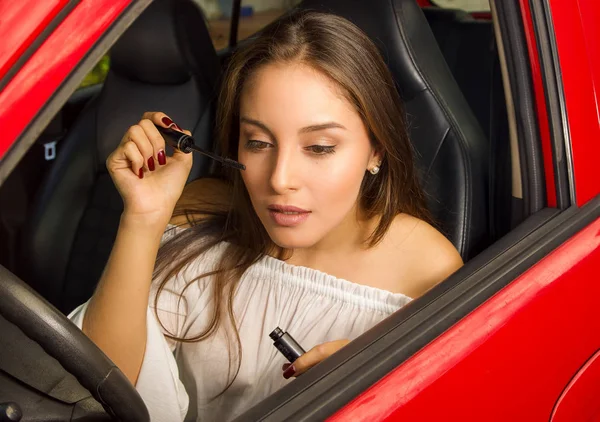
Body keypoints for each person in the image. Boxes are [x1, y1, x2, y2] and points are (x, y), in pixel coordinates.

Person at [69, 10, 463, 421]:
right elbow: (97, 393)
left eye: (320, 147)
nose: (280, 179)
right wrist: (142, 218)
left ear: (376, 150)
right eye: (257, 142)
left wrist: (378, 395)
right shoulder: (197, 219)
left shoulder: (424, 271)